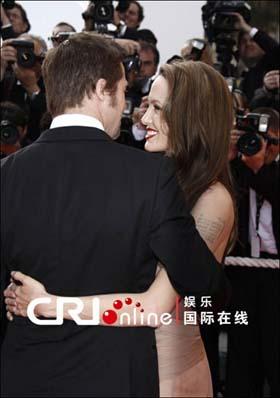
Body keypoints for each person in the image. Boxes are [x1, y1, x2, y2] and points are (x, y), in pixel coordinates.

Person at [1, 32, 226, 397]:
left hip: (24, 376)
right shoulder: (150, 176)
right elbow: (202, 280)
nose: (128, 107)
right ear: (102, 89)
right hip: (117, 378)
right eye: (123, 91)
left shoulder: (6, 175)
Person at [226, 107, 279, 398]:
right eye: (257, 139)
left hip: (276, 278)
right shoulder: (238, 168)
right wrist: (231, 156)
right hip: (241, 273)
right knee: (241, 354)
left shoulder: (267, 171)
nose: (263, 147)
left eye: (270, 141)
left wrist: (259, 168)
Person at [0, 33, 47, 143]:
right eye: (21, 54)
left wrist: (32, 88)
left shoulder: (52, 82)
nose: (26, 59)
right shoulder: (5, 80)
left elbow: (50, 119)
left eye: (31, 55)